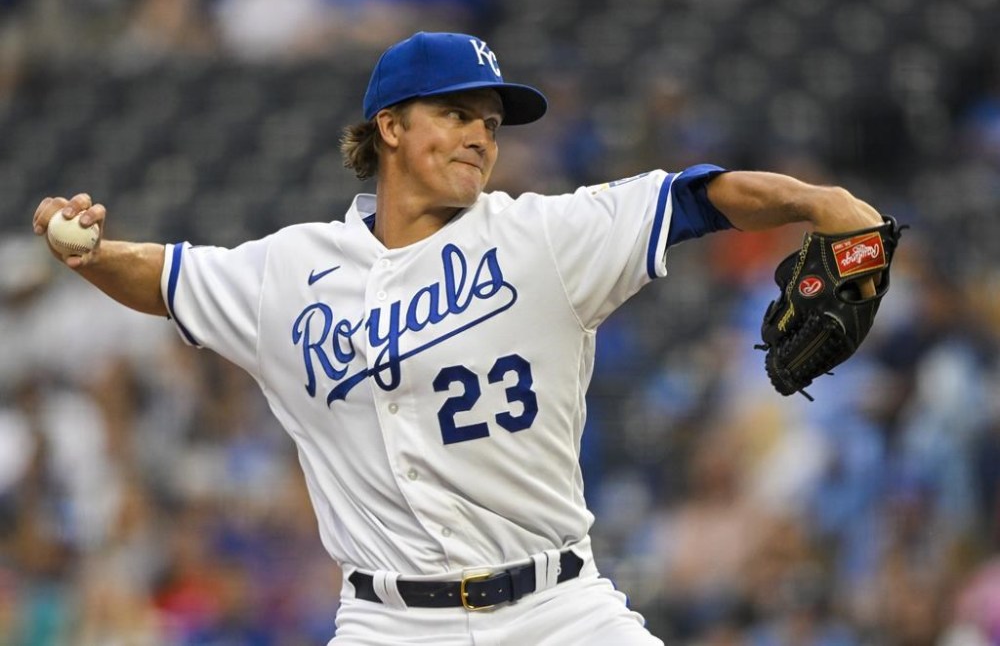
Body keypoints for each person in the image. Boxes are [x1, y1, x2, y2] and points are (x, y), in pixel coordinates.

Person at [30, 31, 884, 645]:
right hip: (388, 622)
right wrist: (90, 254)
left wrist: (825, 203)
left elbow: (699, 197)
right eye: (456, 112)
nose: (481, 134)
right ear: (390, 127)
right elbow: (163, 278)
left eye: (491, 121)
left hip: (559, 610)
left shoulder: (544, 237)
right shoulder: (286, 272)